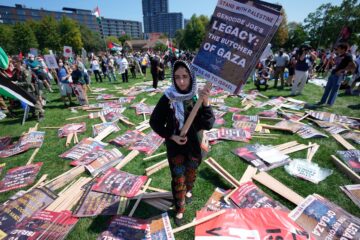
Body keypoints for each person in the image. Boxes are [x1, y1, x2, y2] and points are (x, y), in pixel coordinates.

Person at [150, 60, 214, 226]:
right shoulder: (168, 97)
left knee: (191, 174)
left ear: (192, 77)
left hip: (194, 146)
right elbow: (155, 122)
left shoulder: (197, 97)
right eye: (177, 77)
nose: (182, 81)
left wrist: (206, 102)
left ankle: (189, 189)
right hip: (176, 148)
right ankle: (179, 209)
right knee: (178, 179)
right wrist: (172, 136)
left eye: (185, 76)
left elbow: (208, 124)